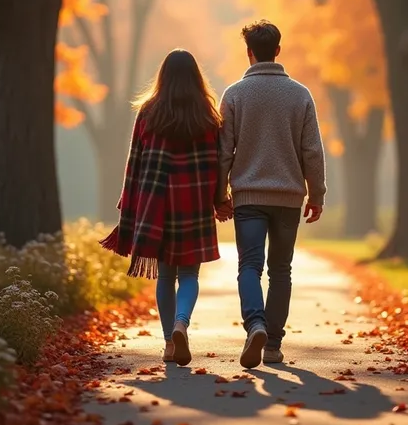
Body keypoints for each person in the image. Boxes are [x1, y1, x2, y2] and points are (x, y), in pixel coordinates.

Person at [100, 49, 231, 367]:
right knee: (189, 274)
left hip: (156, 203)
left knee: (165, 276)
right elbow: (216, 163)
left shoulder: (148, 112)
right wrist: (218, 200)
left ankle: (169, 344)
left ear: (163, 76)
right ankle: (181, 324)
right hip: (193, 202)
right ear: (196, 78)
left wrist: (130, 206)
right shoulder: (208, 114)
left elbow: (135, 162)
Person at [215, 21, 326, 369]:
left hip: (248, 196)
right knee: (281, 269)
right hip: (288, 197)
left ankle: (256, 324)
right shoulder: (300, 94)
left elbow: (223, 152)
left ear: (249, 52)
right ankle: (273, 345)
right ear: (278, 50)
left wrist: (220, 194)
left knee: (249, 265)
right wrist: (316, 193)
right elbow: (312, 151)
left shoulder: (234, 95)